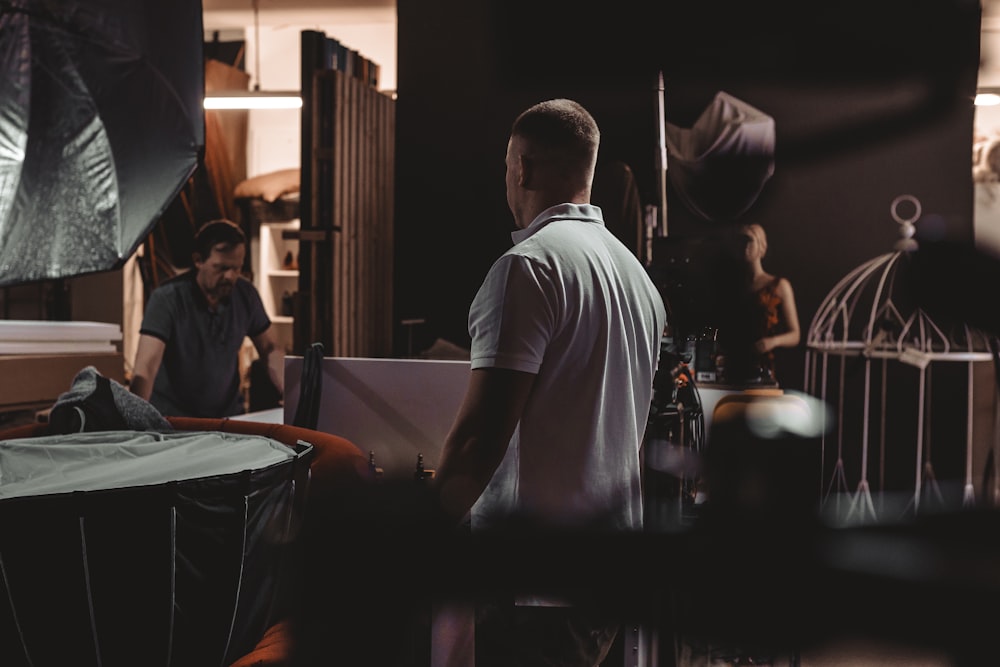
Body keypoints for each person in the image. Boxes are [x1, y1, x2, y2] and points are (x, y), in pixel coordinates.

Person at [430, 99, 667, 666]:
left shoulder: (529, 268)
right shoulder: (637, 278)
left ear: (522, 168)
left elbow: (476, 443)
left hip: (535, 578)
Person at [130, 219, 284, 417]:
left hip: (227, 418)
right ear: (198, 260)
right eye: (221, 267)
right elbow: (147, 365)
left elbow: (270, 347)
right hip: (174, 419)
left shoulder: (245, 295)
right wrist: (135, 417)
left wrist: (288, 390)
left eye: (236, 268)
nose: (230, 276)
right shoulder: (168, 298)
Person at [742, 222, 800, 384]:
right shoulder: (736, 285)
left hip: (764, 366)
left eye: (749, 240)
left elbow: (795, 334)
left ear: (761, 245)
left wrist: (772, 342)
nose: (744, 246)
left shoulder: (779, 286)